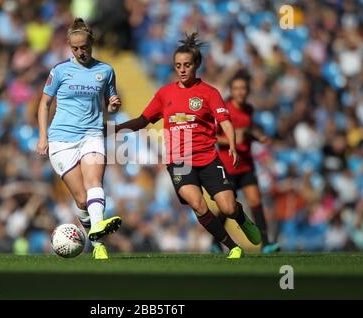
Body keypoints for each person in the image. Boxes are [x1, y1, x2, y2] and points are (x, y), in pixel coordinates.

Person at [115, 32, 261, 258]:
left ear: (196, 65)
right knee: (198, 205)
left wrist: (231, 145)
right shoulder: (165, 93)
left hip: (207, 158)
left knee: (228, 208)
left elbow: (225, 121)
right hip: (179, 161)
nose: (182, 70)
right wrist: (116, 128)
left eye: (187, 65)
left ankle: (241, 217)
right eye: (178, 65)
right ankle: (232, 247)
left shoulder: (209, 93)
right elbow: (143, 120)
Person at [36, 18, 122, 260]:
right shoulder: (60, 71)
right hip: (61, 140)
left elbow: (111, 104)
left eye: (84, 47)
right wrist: (43, 136)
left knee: (94, 182)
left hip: (92, 135)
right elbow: (44, 104)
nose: (80, 52)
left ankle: (99, 243)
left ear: (91, 43)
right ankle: (97, 242)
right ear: (69, 47)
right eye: (75, 48)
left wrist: (114, 106)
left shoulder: (105, 71)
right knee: (82, 200)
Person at [216, 70, 280, 253]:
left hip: (246, 164)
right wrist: (233, 139)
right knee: (228, 208)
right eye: (236, 88)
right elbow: (213, 136)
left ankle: (266, 243)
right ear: (231, 90)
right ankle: (215, 241)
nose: (240, 92)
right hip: (228, 165)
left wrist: (259, 137)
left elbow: (248, 131)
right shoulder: (223, 109)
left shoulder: (249, 109)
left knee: (255, 200)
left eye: (243, 88)